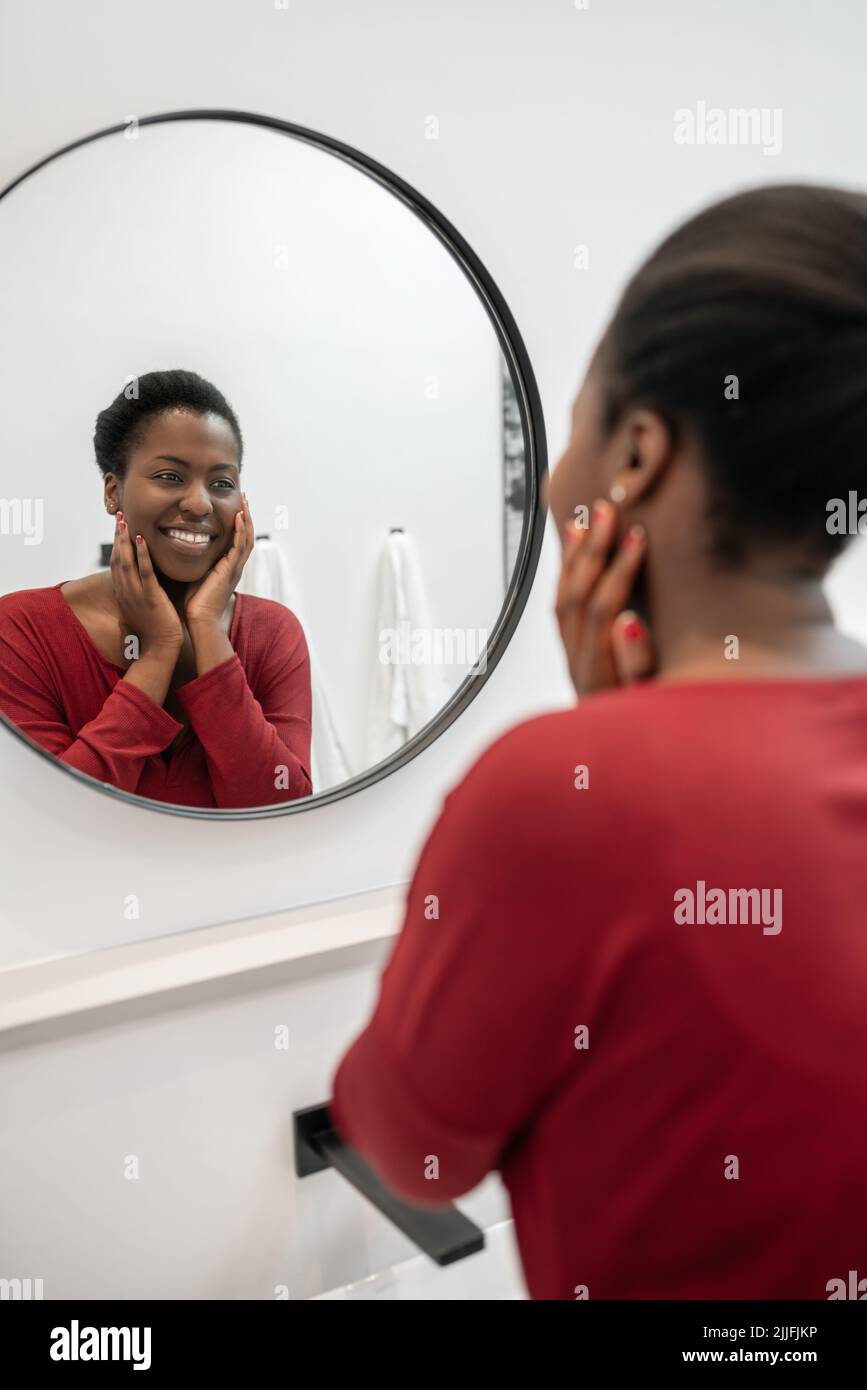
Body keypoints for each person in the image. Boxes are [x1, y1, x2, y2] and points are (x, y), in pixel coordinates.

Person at [330, 183, 867, 1299]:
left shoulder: (560, 798)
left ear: (636, 450)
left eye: (568, 424)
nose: (555, 471)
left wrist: (600, 755)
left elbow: (414, 1155)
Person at [0, 370, 312, 808]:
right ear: (113, 492)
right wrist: (159, 653)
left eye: (222, 483)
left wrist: (206, 629)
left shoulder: (274, 632)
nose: (200, 503)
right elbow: (54, 820)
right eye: (170, 476)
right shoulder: (21, 630)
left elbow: (283, 812)